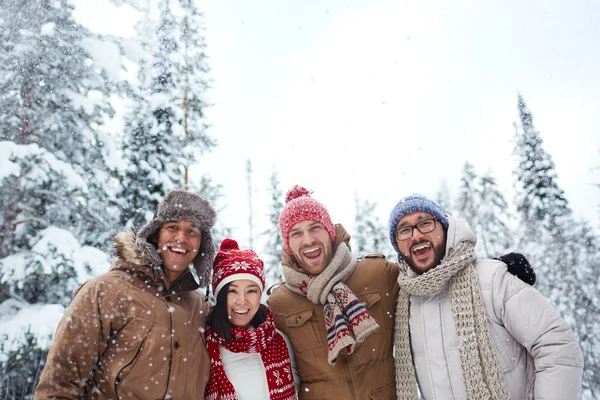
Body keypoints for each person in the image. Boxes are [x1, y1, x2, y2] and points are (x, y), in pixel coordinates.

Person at [388, 194, 584, 400]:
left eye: (425, 223)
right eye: (404, 230)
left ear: (445, 228)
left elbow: (557, 346)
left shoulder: (491, 279)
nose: (416, 235)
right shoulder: (404, 305)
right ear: (397, 245)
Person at [35, 190, 216, 399]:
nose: (181, 238)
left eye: (192, 232)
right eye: (173, 227)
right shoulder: (106, 291)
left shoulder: (200, 307)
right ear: (155, 234)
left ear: (202, 246)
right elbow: (59, 385)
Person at [268, 186, 400, 399]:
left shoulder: (379, 274)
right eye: (296, 233)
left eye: (314, 227)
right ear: (288, 245)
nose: (308, 240)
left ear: (330, 231)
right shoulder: (279, 304)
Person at [204, 238, 299, 400]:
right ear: (220, 296)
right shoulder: (203, 345)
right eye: (232, 291)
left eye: (251, 291)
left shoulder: (279, 340)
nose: (242, 301)